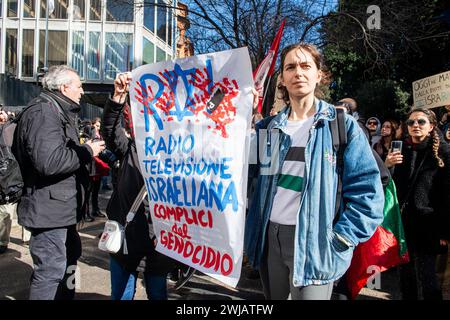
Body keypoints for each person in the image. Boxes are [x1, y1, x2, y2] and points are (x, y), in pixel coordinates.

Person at [244, 43, 384, 300]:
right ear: (282, 79)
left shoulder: (341, 126)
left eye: (306, 65)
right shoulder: (270, 128)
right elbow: (245, 175)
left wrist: (340, 239)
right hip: (268, 239)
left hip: (315, 243)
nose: (298, 72)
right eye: (290, 67)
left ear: (319, 74)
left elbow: (369, 194)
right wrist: (243, 113)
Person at [12, 65, 105, 300]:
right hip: (49, 212)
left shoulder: (57, 110)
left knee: (69, 259)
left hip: (61, 210)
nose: (82, 91)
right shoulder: (44, 112)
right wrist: (87, 150)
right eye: (79, 86)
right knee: (50, 271)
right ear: (64, 87)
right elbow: (50, 162)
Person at [101, 72, 176, 300]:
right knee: (121, 295)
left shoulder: (178, 156)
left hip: (159, 243)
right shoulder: (130, 147)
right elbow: (110, 132)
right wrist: (118, 96)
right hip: (126, 241)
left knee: (157, 294)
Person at [385, 107, 450, 300]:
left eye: (421, 122)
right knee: (405, 276)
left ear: (431, 126)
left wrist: (445, 230)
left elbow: (448, 194)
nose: (415, 126)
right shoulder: (400, 149)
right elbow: (388, 186)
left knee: (429, 277)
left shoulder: (444, 152)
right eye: (411, 122)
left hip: (430, 224)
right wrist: (387, 165)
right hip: (403, 223)